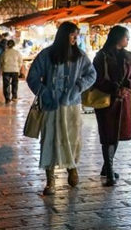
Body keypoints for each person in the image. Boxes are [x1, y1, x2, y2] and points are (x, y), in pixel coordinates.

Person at [27, 21, 96, 195]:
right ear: (64, 35)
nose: (75, 38)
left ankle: (72, 167)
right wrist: (44, 92)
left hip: (71, 105)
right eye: (72, 34)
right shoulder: (46, 55)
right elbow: (33, 76)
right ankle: (50, 179)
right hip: (50, 105)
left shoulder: (80, 55)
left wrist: (78, 87)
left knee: (72, 138)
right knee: (49, 139)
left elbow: (91, 74)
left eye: (77, 35)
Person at [91, 25, 131, 187]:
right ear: (117, 37)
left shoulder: (129, 56)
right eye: (126, 36)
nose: (128, 39)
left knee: (117, 133)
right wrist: (114, 89)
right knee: (108, 134)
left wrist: (127, 86)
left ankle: (107, 166)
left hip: (123, 100)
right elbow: (96, 79)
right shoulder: (102, 56)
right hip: (107, 101)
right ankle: (110, 172)